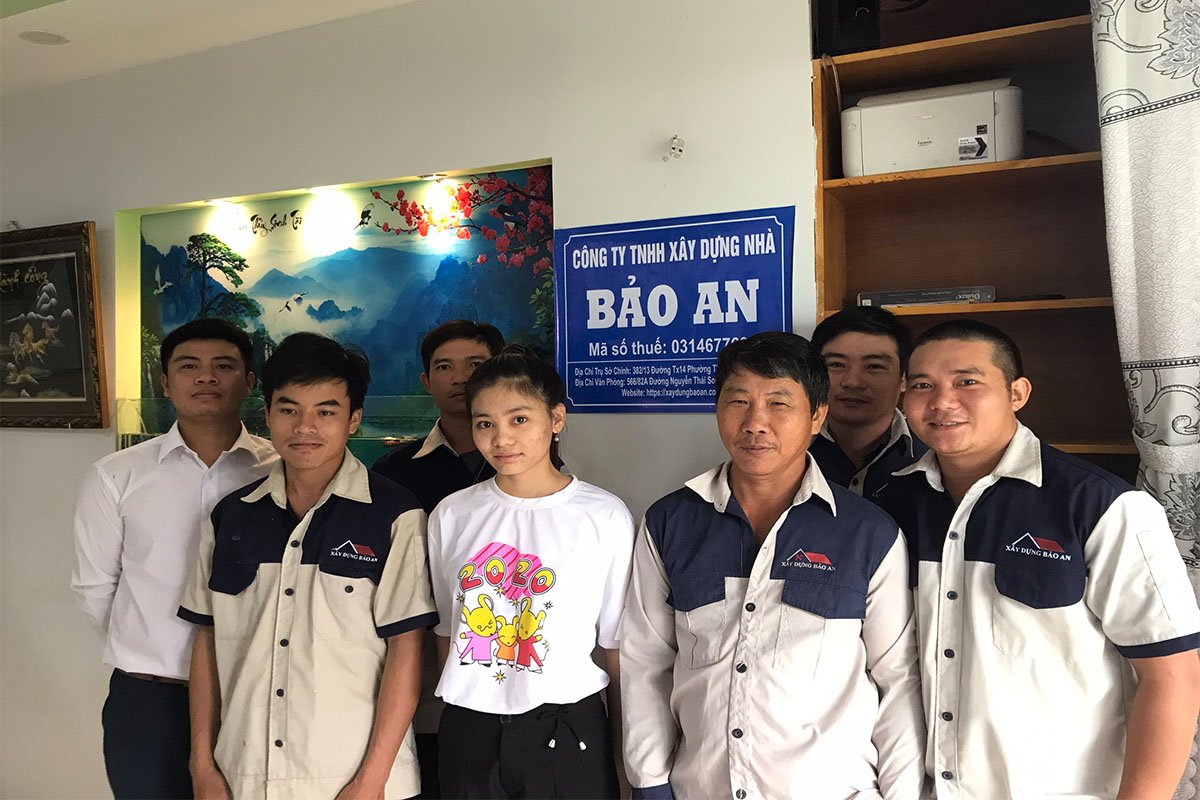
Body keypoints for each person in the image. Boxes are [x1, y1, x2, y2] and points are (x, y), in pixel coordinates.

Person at [877, 319, 1200, 799]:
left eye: (967, 382)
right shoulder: (890, 505)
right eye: (922, 385)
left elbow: (1172, 677)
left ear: (1017, 393)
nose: (942, 402)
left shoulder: (1101, 506)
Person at [621, 331, 925, 800]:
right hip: (702, 788)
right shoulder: (669, 523)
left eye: (779, 403)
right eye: (738, 401)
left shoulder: (867, 533)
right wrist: (650, 781)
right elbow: (646, 661)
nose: (755, 423)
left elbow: (897, 678)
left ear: (817, 416)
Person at [179, 332, 436, 799]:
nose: (305, 427)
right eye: (289, 409)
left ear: (354, 419)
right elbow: (206, 638)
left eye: (326, 412)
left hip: (353, 778)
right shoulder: (231, 515)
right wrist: (202, 765)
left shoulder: (395, 514)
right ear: (267, 415)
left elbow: (406, 651)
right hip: (243, 774)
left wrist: (372, 780)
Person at [71, 318, 277, 799]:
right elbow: (95, 588)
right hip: (149, 699)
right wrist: (151, 648)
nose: (206, 377)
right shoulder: (115, 476)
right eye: (188, 366)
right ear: (165, 383)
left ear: (249, 382)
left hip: (253, 692)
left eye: (223, 366)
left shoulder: (278, 470)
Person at [426, 346, 634, 799]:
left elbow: (617, 647)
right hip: (469, 729)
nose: (502, 438)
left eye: (519, 419)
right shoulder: (452, 514)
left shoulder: (603, 515)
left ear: (556, 418)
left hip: (566, 726)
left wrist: (623, 757)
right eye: (485, 423)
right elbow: (447, 630)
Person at [371, 319, 505, 798]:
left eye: (476, 364)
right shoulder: (393, 474)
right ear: (426, 381)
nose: (461, 377)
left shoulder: (531, 466)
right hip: (421, 676)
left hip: (512, 672)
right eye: (445, 367)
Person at [809, 306, 925, 501]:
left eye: (874, 366)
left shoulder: (935, 452)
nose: (853, 382)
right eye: (836, 365)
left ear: (904, 378)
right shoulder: (785, 448)